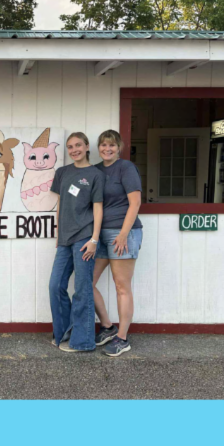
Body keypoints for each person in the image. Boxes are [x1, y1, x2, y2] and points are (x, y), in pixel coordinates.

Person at [48, 131, 104, 353]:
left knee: (82, 289)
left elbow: (98, 208)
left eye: (78, 145)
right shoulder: (62, 172)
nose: (74, 150)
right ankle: (64, 332)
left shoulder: (95, 174)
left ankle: (83, 342)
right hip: (65, 239)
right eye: (70, 147)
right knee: (55, 285)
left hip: (85, 238)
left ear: (87, 146)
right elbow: (61, 205)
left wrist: (94, 239)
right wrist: (58, 234)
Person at [92, 129, 143, 357]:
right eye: (103, 145)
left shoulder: (126, 168)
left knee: (121, 286)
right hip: (99, 234)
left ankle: (122, 338)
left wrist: (123, 234)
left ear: (118, 147)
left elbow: (135, 203)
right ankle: (107, 326)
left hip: (123, 233)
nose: (107, 149)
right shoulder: (95, 170)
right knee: (87, 282)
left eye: (112, 145)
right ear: (99, 147)